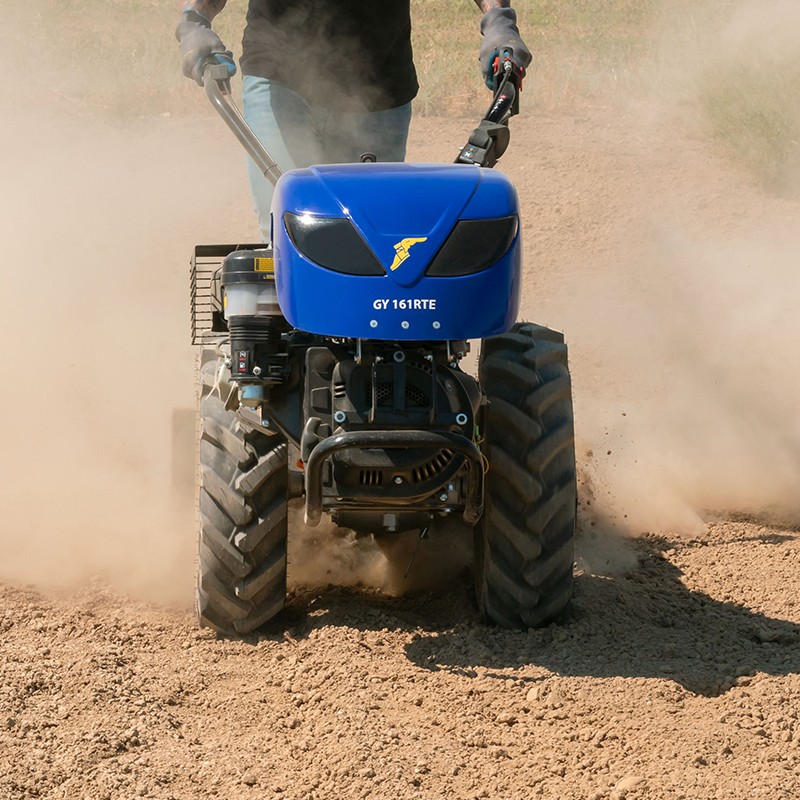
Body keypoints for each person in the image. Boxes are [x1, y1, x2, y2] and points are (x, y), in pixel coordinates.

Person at [176, 1, 532, 240]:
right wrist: (194, 20)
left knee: (373, 239)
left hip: (378, 93)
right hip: (281, 75)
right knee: (291, 226)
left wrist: (499, 22)